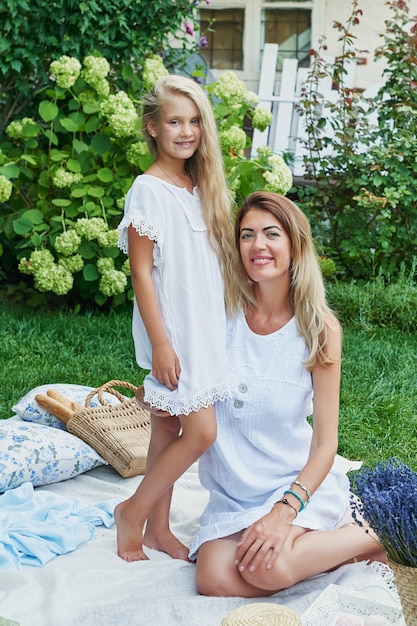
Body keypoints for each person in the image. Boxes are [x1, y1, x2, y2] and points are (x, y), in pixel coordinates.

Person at [188, 191, 385, 597]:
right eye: (247, 235)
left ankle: (379, 529)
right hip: (233, 492)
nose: (258, 245)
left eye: (271, 233)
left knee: (266, 570)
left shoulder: (320, 330)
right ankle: (335, 553)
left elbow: (326, 443)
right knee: (212, 580)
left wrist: (284, 511)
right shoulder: (218, 317)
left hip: (292, 484)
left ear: (295, 245)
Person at [116, 75, 244, 562]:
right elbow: (142, 274)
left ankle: (158, 528)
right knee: (202, 432)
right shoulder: (149, 189)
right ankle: (133, 511)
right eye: (174, 121)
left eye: (194, 121)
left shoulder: (198, 186)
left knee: (166, 429)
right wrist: (162, 343)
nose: (186, 131)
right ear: (153, 127)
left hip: (204, 327)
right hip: (177, 333)